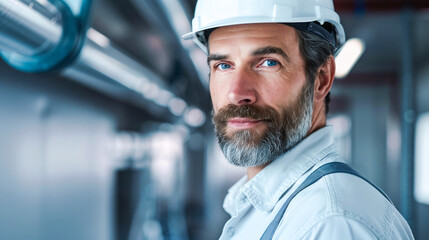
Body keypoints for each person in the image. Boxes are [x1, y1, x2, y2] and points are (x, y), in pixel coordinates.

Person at [184, 0, 414, 239]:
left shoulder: (330, 224)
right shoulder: (277, 207)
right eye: (223, 65)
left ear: (321, 78)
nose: (237, 93)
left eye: (268, 63)